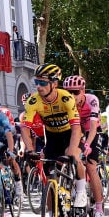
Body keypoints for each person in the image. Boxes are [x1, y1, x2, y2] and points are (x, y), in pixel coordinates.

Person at [20, 64, 86, 208]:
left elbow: (76, 127)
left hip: (70, 134)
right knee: (50, 181)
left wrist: (71, 150)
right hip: (52, 137)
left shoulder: (66, 98)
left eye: (42, 83)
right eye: (36, 82)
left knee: (74, 155)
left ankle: (81, 191)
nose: (38, 86)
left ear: (54, 83)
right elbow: (25, 128)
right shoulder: (33, 101)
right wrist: (30, 150)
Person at [61, 75, 105, 217]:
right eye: (68, 92)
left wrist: (87, 144)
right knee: (68, 155)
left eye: (75, 92)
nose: (71, 96)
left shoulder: (92, 100)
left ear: (83, 90)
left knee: (91, 166)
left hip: (92, 131)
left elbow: (93, 128)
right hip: (76, 131)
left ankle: (99, 209)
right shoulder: (64, 102)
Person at [0, 94, 25, 204]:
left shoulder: (2, 116)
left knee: (11, 160)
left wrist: (11, 151)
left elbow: (9, 135)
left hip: (10, 137)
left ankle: (19, 187)